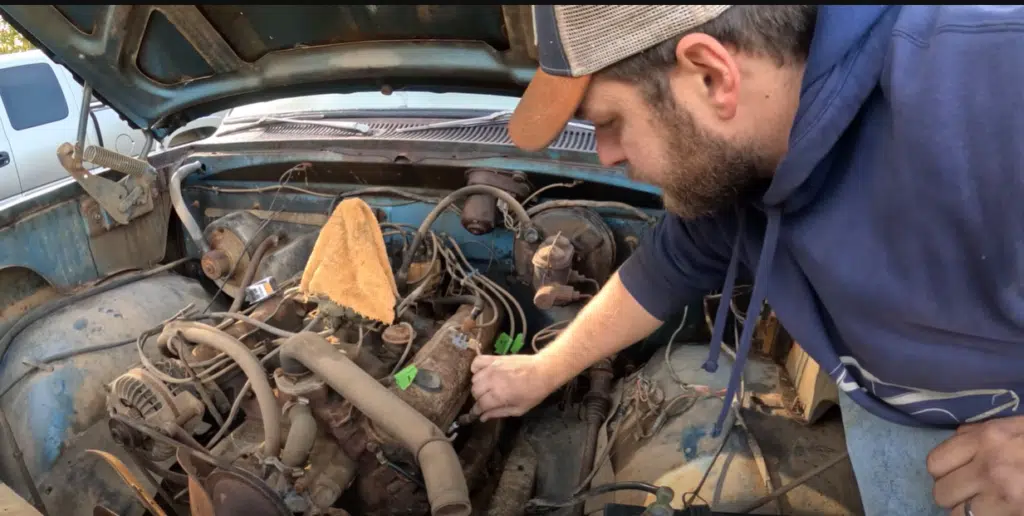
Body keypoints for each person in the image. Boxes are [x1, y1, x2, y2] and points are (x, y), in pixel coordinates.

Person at [468, 5, 1024, 516]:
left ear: (711, 75)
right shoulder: (741, 162)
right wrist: (543, 370)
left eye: (610, 120)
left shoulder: (988, 82)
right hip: (889, 417)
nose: (607, 153)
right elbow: (661, 271)